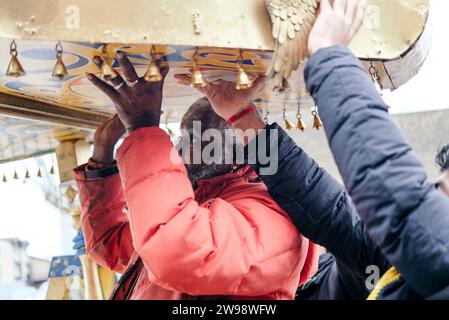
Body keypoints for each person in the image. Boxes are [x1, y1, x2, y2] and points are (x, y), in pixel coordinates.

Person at [179, 0, 449, 299]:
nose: (433, 199)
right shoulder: (395, 257)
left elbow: (390, 188)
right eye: (437, 189)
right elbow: (327, 209)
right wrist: (244, 118)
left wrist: (329, 56)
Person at [75, 52, 318, 300]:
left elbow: (175, 253)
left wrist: (142, 128)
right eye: (182, 137)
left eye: (194, 138)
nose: (178, 148)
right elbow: (111, 247)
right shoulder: (198, 201)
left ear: (238, 148)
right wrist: (102, 153)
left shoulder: (269, 214)